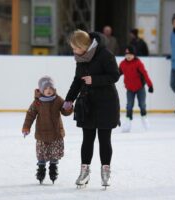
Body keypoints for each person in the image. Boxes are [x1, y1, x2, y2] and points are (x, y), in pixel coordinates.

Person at [62, 29, 120, 188]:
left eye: (75, 47)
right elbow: (77, 80)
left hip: (106, 103)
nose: (74, 51)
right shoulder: (81, 58)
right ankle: (84, 172)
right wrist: (69, 99)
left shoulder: (105, 54)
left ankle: (105, 172)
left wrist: (93, 79)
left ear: (84, 45)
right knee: (87, 139)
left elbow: (114, 75)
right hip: (87, 104)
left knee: (104, 139)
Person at [22, 76, 73, 184]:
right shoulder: (37, 102)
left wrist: (68, 108)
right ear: (41, 90)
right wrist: (26, 127)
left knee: (55, 154)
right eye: (46, 88)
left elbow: (65, 111)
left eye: (51, 88)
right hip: (42, 134)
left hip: (56, 133)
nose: (48, 90)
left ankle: (53, 168)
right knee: (41, 154)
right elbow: (30, 115)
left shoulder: (58, 99)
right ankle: (41, 170)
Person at [119, 46, 154, 132]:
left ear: (134, 55)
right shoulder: (123, 64)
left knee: (142, 105)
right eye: (127, 54)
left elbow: (145, 74)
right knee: (129, 106)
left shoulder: (138, 63)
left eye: (130, 54)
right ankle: (128, 122)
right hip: (129, 89)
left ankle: (144, 118)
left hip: (140, 88)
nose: (128, 56)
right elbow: (118, 73)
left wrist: (150, 85)